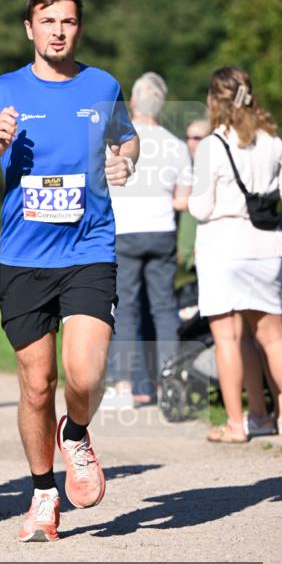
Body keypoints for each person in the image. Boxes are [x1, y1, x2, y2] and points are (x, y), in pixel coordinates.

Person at [0, 0, 139, 542]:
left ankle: (78, 432)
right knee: (36, 384)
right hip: (24, 257)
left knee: (84, 373)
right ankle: (42, 493)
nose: (59, 31)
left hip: (89, 249)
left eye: (68, 21)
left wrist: (124, 161)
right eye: (49, 21)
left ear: (77, 27)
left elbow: (128, 140)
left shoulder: (102, 84)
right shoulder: (2, 92)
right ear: (29, 29)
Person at [188, 66, 282, 443]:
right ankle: (267, 416)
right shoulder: (273, 141)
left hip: (222, 248)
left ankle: (235, 423)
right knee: (272, 338)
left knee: (227, 338)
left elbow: (200, 207)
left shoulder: (214, 144)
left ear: (215, 99)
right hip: (266, 246)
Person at [107, 73, 192, 405]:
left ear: (132, 102)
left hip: (125, 231)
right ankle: (171, 385)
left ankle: (125, 387)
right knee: (164, 308)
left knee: (125, 308)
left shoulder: (116, 142)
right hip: (162, 232)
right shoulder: (178, 146)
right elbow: (182, 199)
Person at [176, 118, 210, 271]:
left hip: (205, 252)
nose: (190, 143)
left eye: (197, 138)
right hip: (186, 257)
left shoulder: (215, 170)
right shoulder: (186, 167)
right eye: (188, 138)